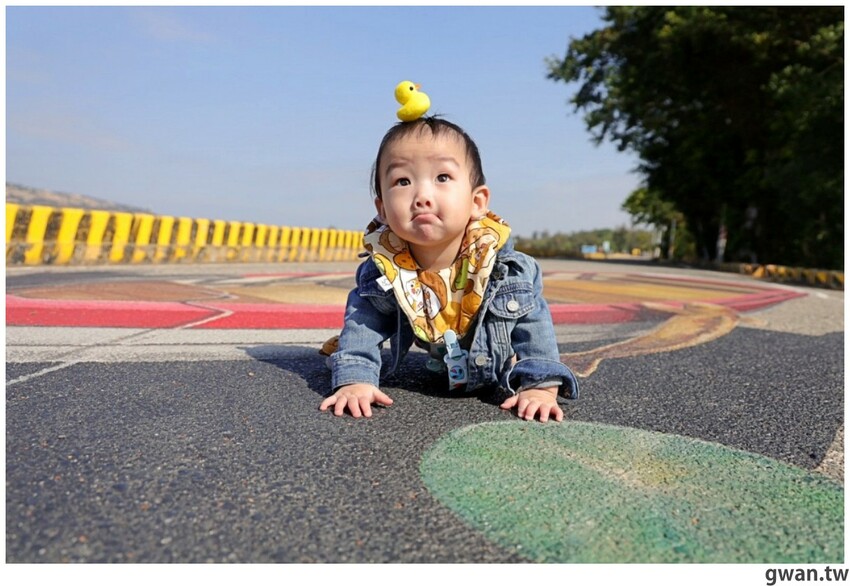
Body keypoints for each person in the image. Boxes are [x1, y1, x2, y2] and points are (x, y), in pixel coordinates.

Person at [319, 116, 578, 422]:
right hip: (442, 352)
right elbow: (365, 323)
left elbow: (532, 324)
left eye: (442, 177)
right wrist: (355, 379)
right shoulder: (385, 270)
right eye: (403, 181)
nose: (422, 197)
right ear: (382, 210)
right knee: (357, 335)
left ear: (477, 201)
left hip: (490, 357)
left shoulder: (504, 269)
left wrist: (540, 387)